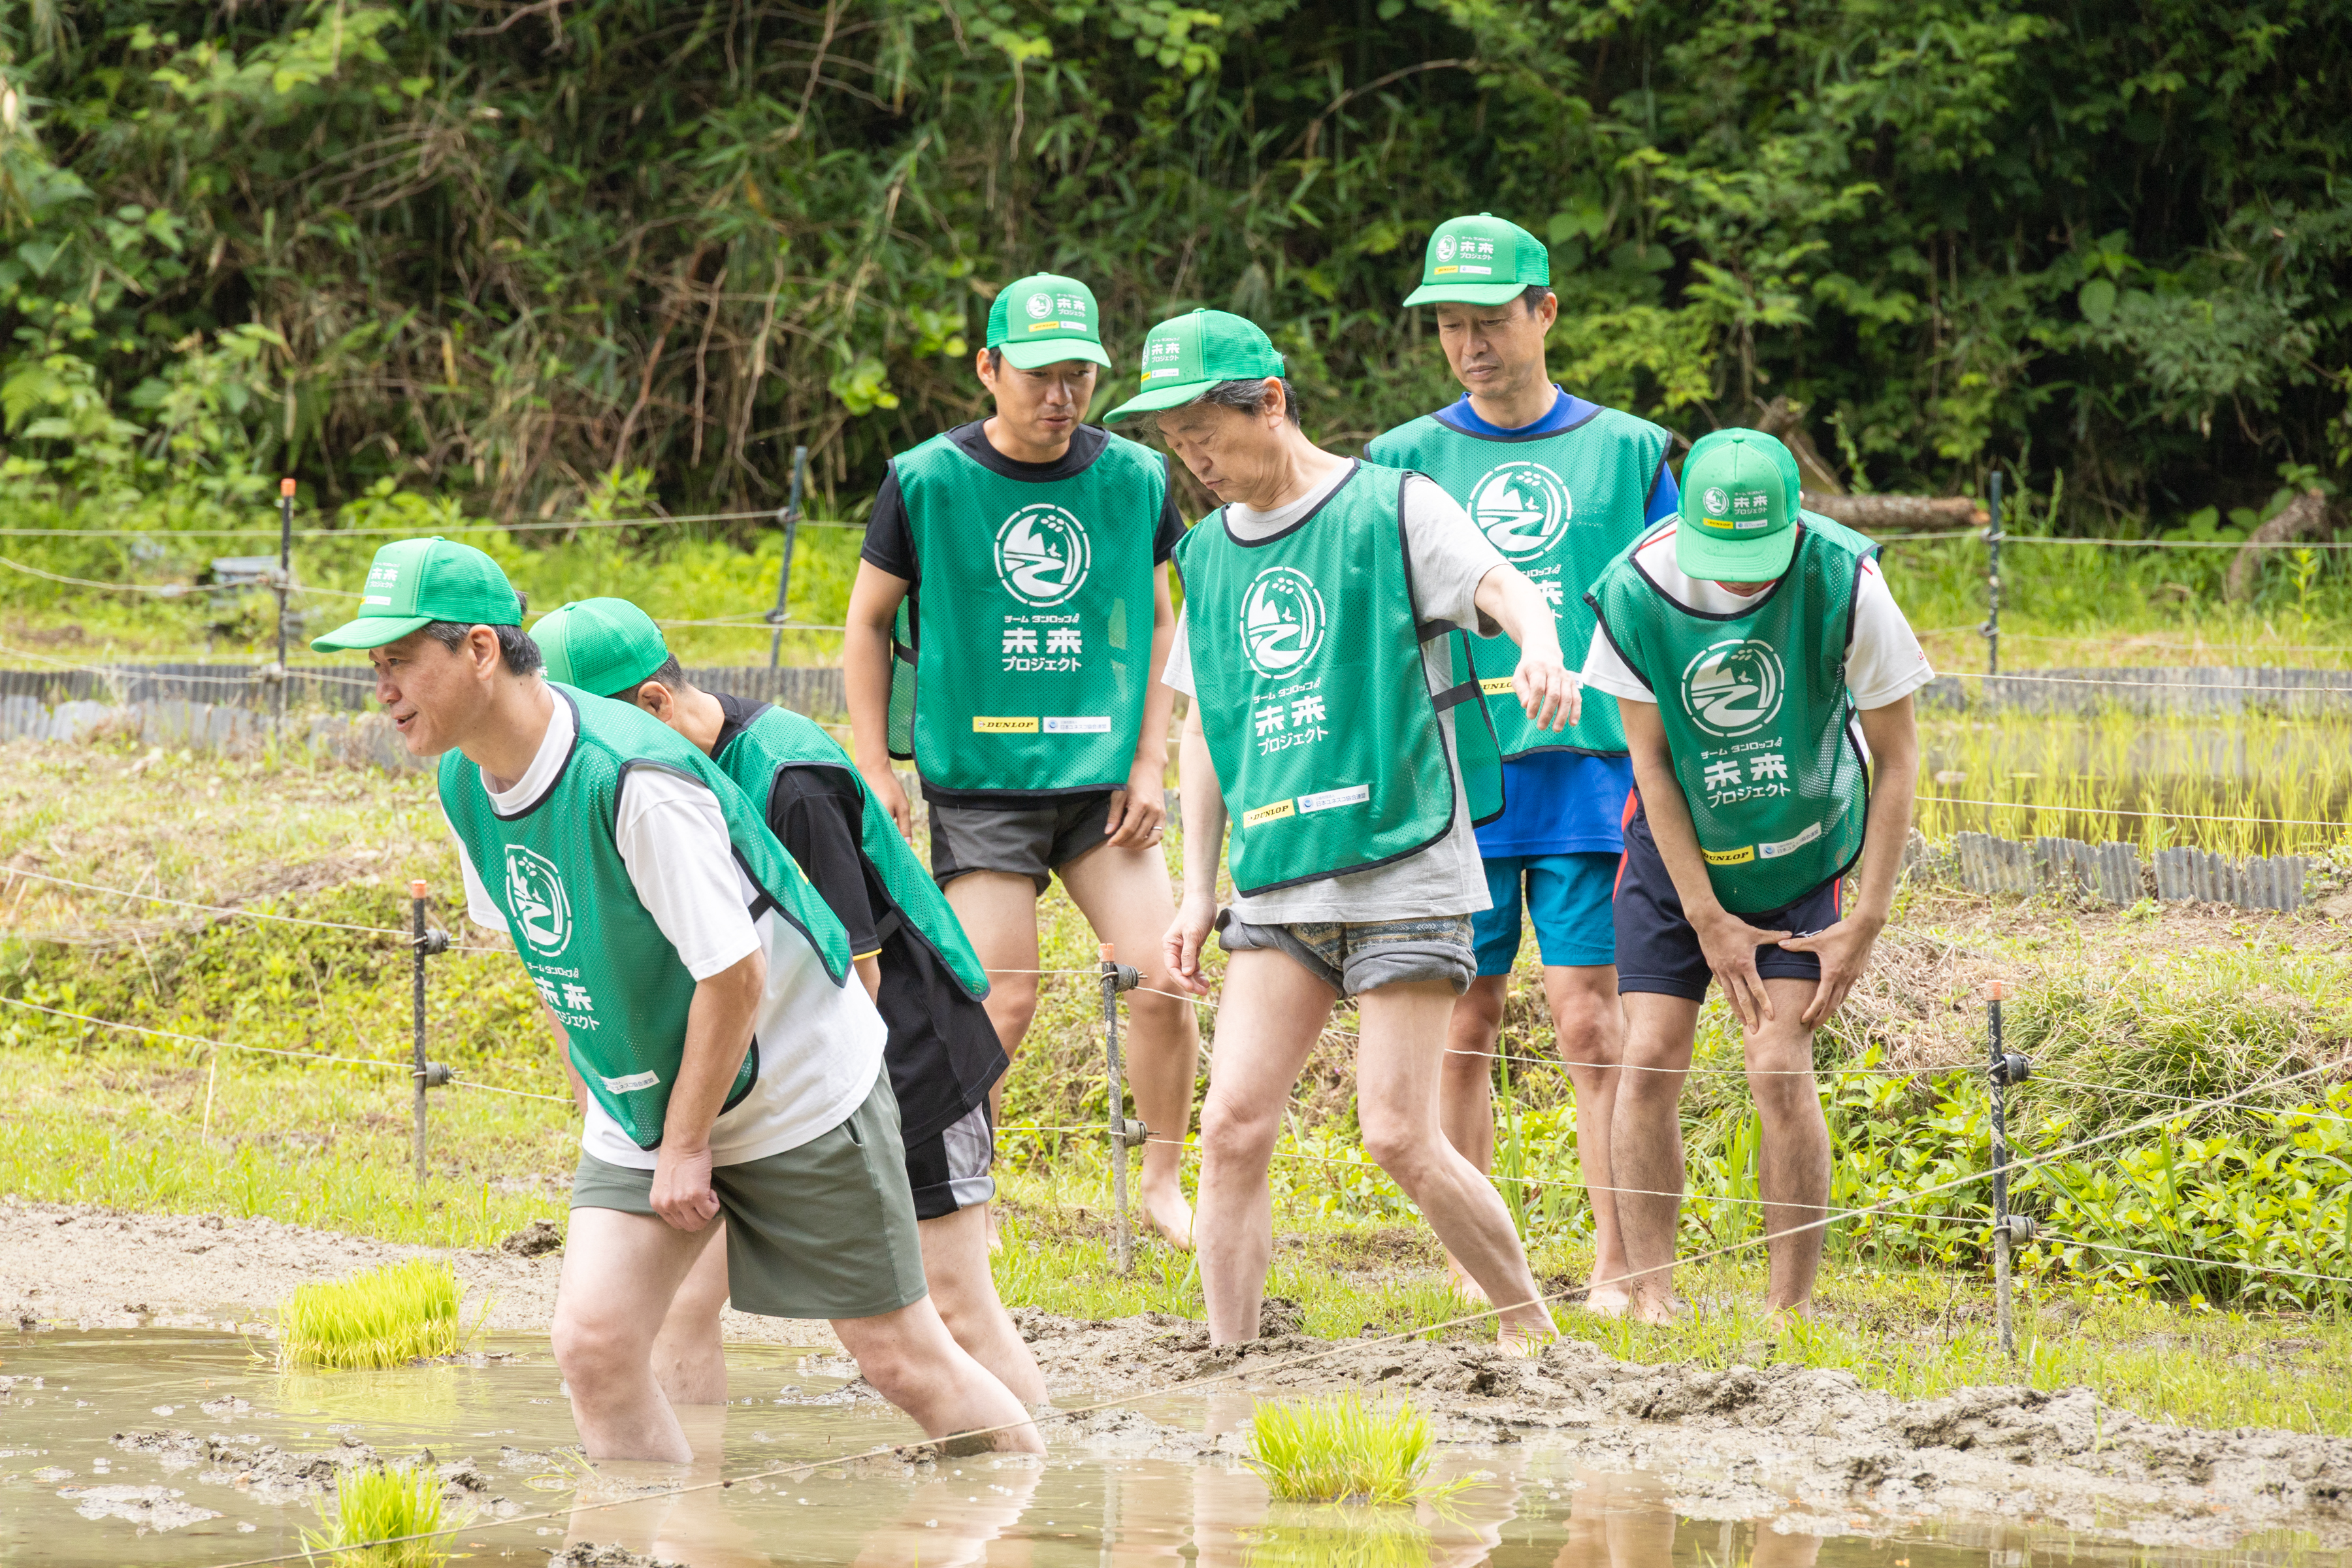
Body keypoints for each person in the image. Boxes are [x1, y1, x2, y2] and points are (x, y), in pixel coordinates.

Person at [309, 538, 1040, 1462]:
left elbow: (736, 974)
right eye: (376, 667)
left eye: (401, 661)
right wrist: (605, 1110)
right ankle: (652, 1534)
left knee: (898, 1357)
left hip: (795, 1086)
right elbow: (551, 952)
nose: (383, 691)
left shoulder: (633, 778)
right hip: (655, 1092)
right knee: (597, 1347)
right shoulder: (466, 777)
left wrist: (687, 1144)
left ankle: (1028, 1511)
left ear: (482, 651)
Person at [1109, 308, 1573, 1350]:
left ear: (1270, 403)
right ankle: (1233, 1361)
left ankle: (1533, 1336)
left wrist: (1538, 644)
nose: (1195, 462)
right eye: (1177, 445)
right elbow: (1206, 728)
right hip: (1280, 882)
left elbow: (1505, 586)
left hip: (1401, 864)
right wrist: (1194, 890)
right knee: (1230, 1128)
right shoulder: (1207, 554)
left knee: (1400, 1134)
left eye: (1206, 436)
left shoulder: (1393, 506)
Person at [527, 596, 1047, 1407]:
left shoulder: (787, 776)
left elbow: (857, 977)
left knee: (953, 1309)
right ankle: (686, 1512)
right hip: (757, 1066)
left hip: (901, 1054)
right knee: (680, 1309)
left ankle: (1035, 1492)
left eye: (594, 730)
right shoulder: (642, 781)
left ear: (653, 705)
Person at [841, 271, 1200, 1248]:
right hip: (982, 781)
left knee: (1160, 978)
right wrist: (874, 764)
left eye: (1079, 374)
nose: (1061, 396)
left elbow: (1166, 616)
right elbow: (868, 625)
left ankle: (1164, 1182)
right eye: (1039, 374)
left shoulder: (1133, 475)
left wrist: (1150, 763)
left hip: (1102, 787)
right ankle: (965, 1195)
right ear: (989, 370)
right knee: (999, 995)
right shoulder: (924, 480)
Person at [1367, 212, 1678, 1315]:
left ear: (1545, 312)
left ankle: (1619, 1264)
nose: (1470, 345)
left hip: (1592, 774)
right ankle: (1475, 1260)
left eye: (1490, 321)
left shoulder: (1631, 450)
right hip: (1459, 779)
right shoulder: (1402, 461)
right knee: (1464, 1014)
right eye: (1450, 326)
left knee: (1592, 1017)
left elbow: (1670, 609)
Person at [1580, 429, 1927, 1324]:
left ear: (1795, 521)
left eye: (1758, 556)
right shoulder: (1633, 590)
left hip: (1811, 844)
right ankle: (1650, 1295)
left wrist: (1870, 918)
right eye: (1722, 556)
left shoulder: (1846, 580)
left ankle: (1788, 1310)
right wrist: (1704, 915)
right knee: (1649, 1054)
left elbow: (1897, 758)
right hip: (1679, 846)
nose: (1740, 578)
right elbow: (1650, 763)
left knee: (1778, 1062)